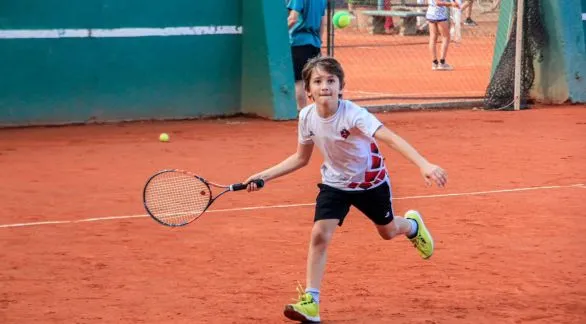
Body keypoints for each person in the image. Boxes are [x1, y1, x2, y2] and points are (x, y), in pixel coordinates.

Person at [243, 56, 448, 323]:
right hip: (335, 184)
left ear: (341, 86)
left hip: (370, 183)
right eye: (317, 81)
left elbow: (390, 138)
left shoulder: (354, 115)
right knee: (319, 235)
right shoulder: (306, 116)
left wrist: (424, 164)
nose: (324, 86)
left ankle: (411, 226)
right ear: (308, 90)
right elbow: (300, 158)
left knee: (387, 232)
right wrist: (264, 176)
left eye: (331, 80)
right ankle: (311, 302)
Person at [287, 0, 328, 111]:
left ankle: (302, 111)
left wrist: (279, 34)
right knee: (316, 80)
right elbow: (322, 22)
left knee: (298, 81)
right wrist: (318, 41)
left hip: (298, 43)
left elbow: (292, 19)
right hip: (314, 44)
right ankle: (322, 110)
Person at [426, 0, 460, 70]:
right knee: (446, 37)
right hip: (438, 14)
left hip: (430, 12)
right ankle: (442, 63)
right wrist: (451, 4)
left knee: (433, 37)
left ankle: (434, 63)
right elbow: (438, 2)